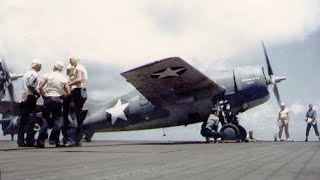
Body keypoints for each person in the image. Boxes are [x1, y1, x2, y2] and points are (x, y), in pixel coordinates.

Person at [36, 61, 70, 148]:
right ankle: (56, 142)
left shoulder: (48, 75)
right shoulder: (63, 78)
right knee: (57, 121)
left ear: (55, 67)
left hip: (48, 99)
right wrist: (62, 97)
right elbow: (68, 92)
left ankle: (40, 142)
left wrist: (44, 96)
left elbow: (40, 87)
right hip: (58, 100)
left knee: (45, 121)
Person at [18, 59, 42, 147]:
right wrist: (37, 93)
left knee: (22, 120)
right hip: (30, 97)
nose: (40, 67)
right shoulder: (34, 74)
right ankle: (29, 141)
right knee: (31, 120)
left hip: (23, 97)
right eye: (40, 65)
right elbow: (30, 84)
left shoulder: (26, 74)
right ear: (36, 66)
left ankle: (20, 141)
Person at [65, 57, 87, 147]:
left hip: (77, 92)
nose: (70, 62)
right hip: (82, 92)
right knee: (78, 117)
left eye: (71, 61)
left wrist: (69, 84)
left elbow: (78, 79)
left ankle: (71, 141)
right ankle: (77, 140)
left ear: (76, 61)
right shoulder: (82, 68)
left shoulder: (78, 67)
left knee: (72, 116)